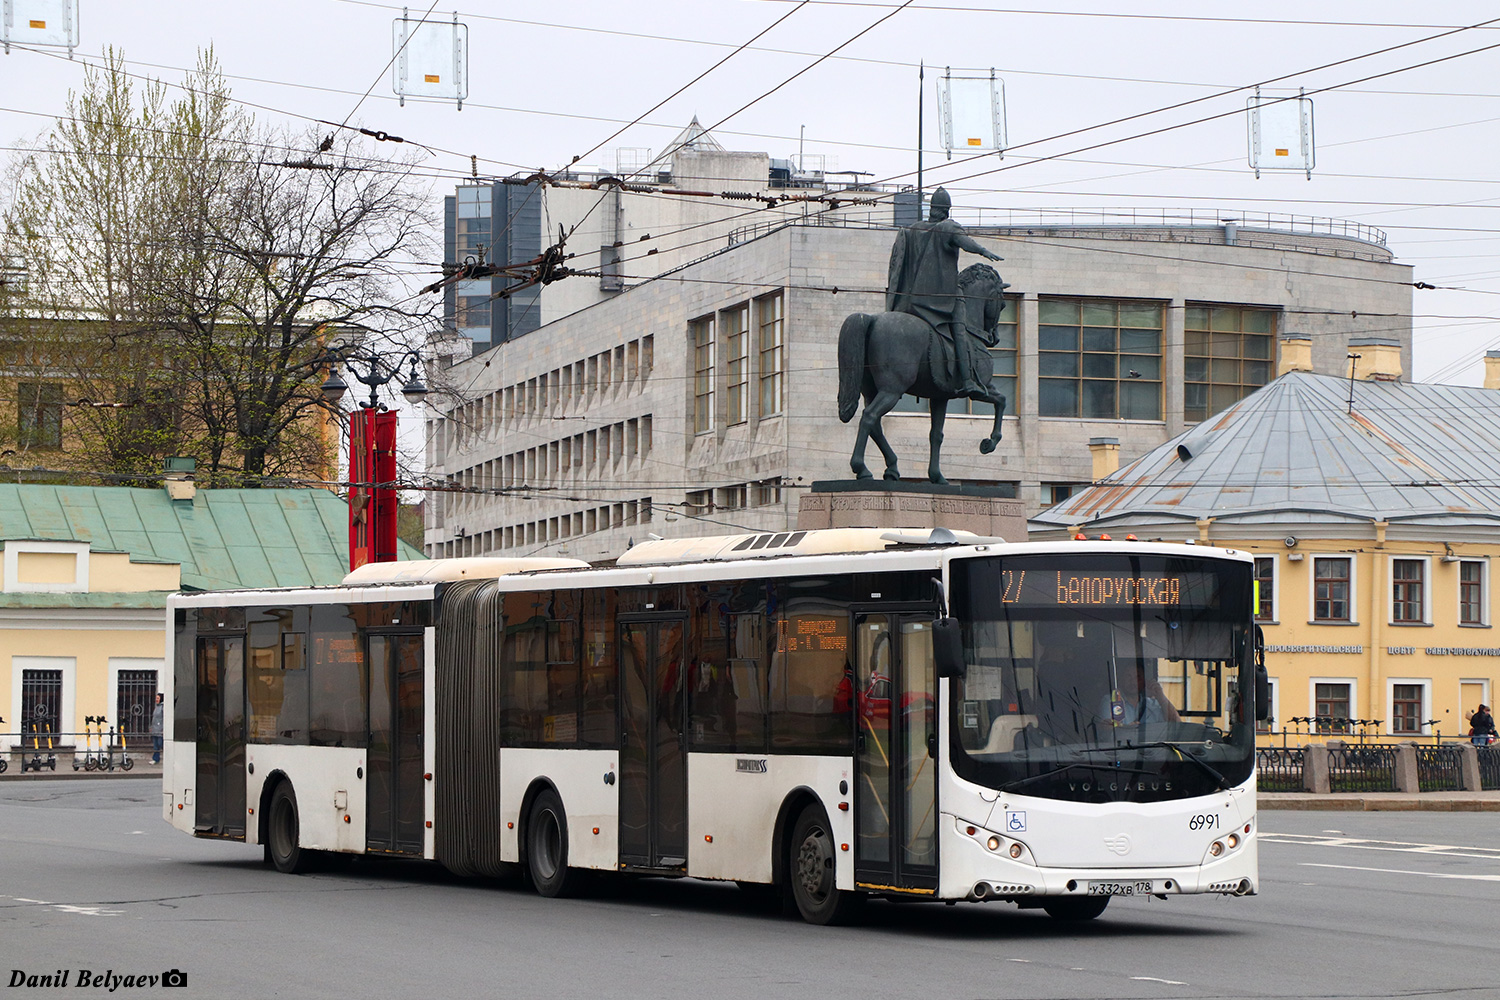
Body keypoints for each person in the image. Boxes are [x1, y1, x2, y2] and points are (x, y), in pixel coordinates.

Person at [886, 186, 1004, 397]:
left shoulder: (913, 229)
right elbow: (964, 242)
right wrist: (983, 250)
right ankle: (968, 380)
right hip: (942, 299)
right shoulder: (948, 227)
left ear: (931, 207)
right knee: (960, 330)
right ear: (947, 209)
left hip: (911, 301)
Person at [1098, 661, 1180, 726]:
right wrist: (1128, 731)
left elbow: (1176, 725)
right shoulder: (1111, 701)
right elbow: (1108, 733)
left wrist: (1160, 696)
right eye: (1128, 676)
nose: (1132, 681)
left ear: (1144, 681)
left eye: (1137, 677)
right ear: (1121, 679)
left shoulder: (1153, 705)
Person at [149, 692, 164, 764]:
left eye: (158, 698)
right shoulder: (157, 707)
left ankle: (168, 757)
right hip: (155, 729)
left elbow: (164, 718)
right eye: (156, 698)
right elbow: (154, 718)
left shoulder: (163, 707)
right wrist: (151, 727)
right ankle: (156, 759)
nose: (156, 699)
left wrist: (163, 728)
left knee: (160, 744)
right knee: (155, 745)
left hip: (160, 729)